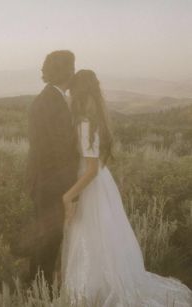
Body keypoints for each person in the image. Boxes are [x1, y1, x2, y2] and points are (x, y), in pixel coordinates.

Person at [60, 70, 192, 306]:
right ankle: (100, 285)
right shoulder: (97, 118)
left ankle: (92, 292)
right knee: (103, 239)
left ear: (77, 93)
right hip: (102, 184)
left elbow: (90, 169)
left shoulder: (84, 124)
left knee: (91, 237)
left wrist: (68, 196)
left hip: (91, 187)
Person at [26, 50, 79, 289]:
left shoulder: (48, 98)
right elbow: (59, 151)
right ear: (67, 70)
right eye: (72, 66)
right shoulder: (53, 102)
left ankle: (37, 286)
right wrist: (73, 188)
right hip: (52, 182)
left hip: (43, 180)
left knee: (44, 237)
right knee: (49, 238)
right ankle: (41, 291)